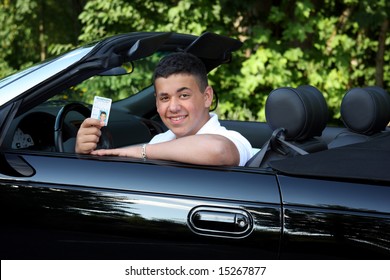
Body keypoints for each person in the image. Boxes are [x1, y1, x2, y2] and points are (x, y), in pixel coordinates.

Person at [75, 52, 253, 166]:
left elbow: (217, 150)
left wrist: (142, 151)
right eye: (164, 98)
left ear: (207, 97)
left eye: (184, 95)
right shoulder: (161, 140)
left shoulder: (233, 140)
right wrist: (85, 152)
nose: (173, 107)